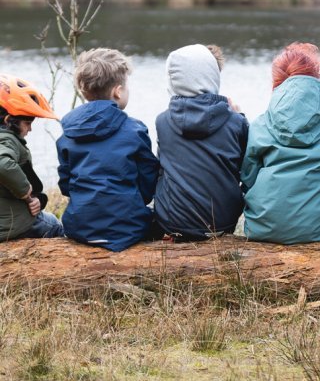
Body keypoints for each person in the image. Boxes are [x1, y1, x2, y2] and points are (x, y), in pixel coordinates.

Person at [240, 43, 320, 244]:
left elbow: (248, 176)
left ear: (277, 80)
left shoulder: (260, 124)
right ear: (317, 76)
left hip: (262, 227)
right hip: (318, 230)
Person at [57, 48, 159, 251]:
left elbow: (66, 185)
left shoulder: (67, 133)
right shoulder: (134, 130)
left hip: (78, 227)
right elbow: (148, 181)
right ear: (118, 91)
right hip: (129, 228)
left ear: (83, 91)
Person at [153, 44, 249, 240]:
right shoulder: (236, 122)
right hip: (224, 222)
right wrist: (240, 116)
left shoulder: (163, 121)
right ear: (213, 76)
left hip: (173, 223)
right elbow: (245, 168)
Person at [0, 74, 64, 241]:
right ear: (8, 121)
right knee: (55, 226)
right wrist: (26, 193)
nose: (30, 129)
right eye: (27, 123)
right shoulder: (7, 139)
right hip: (11, 224)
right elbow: (2, 164)